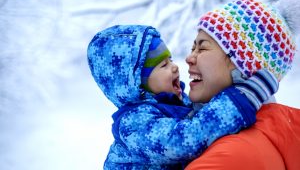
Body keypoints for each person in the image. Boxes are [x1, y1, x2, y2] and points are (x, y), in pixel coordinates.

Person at [87, 25, 278, 169]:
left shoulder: (178, 103)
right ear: (137, 85)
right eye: (163, 65)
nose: (175, 66)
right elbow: (185, 139)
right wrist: (240, 100)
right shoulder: (133, 124)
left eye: (170, 59)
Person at [185, 0, 300, 170]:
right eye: (193, 47)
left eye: (202, 47)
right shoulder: (269, 133)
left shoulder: (229, 158)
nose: (189, 58)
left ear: (243, 64)